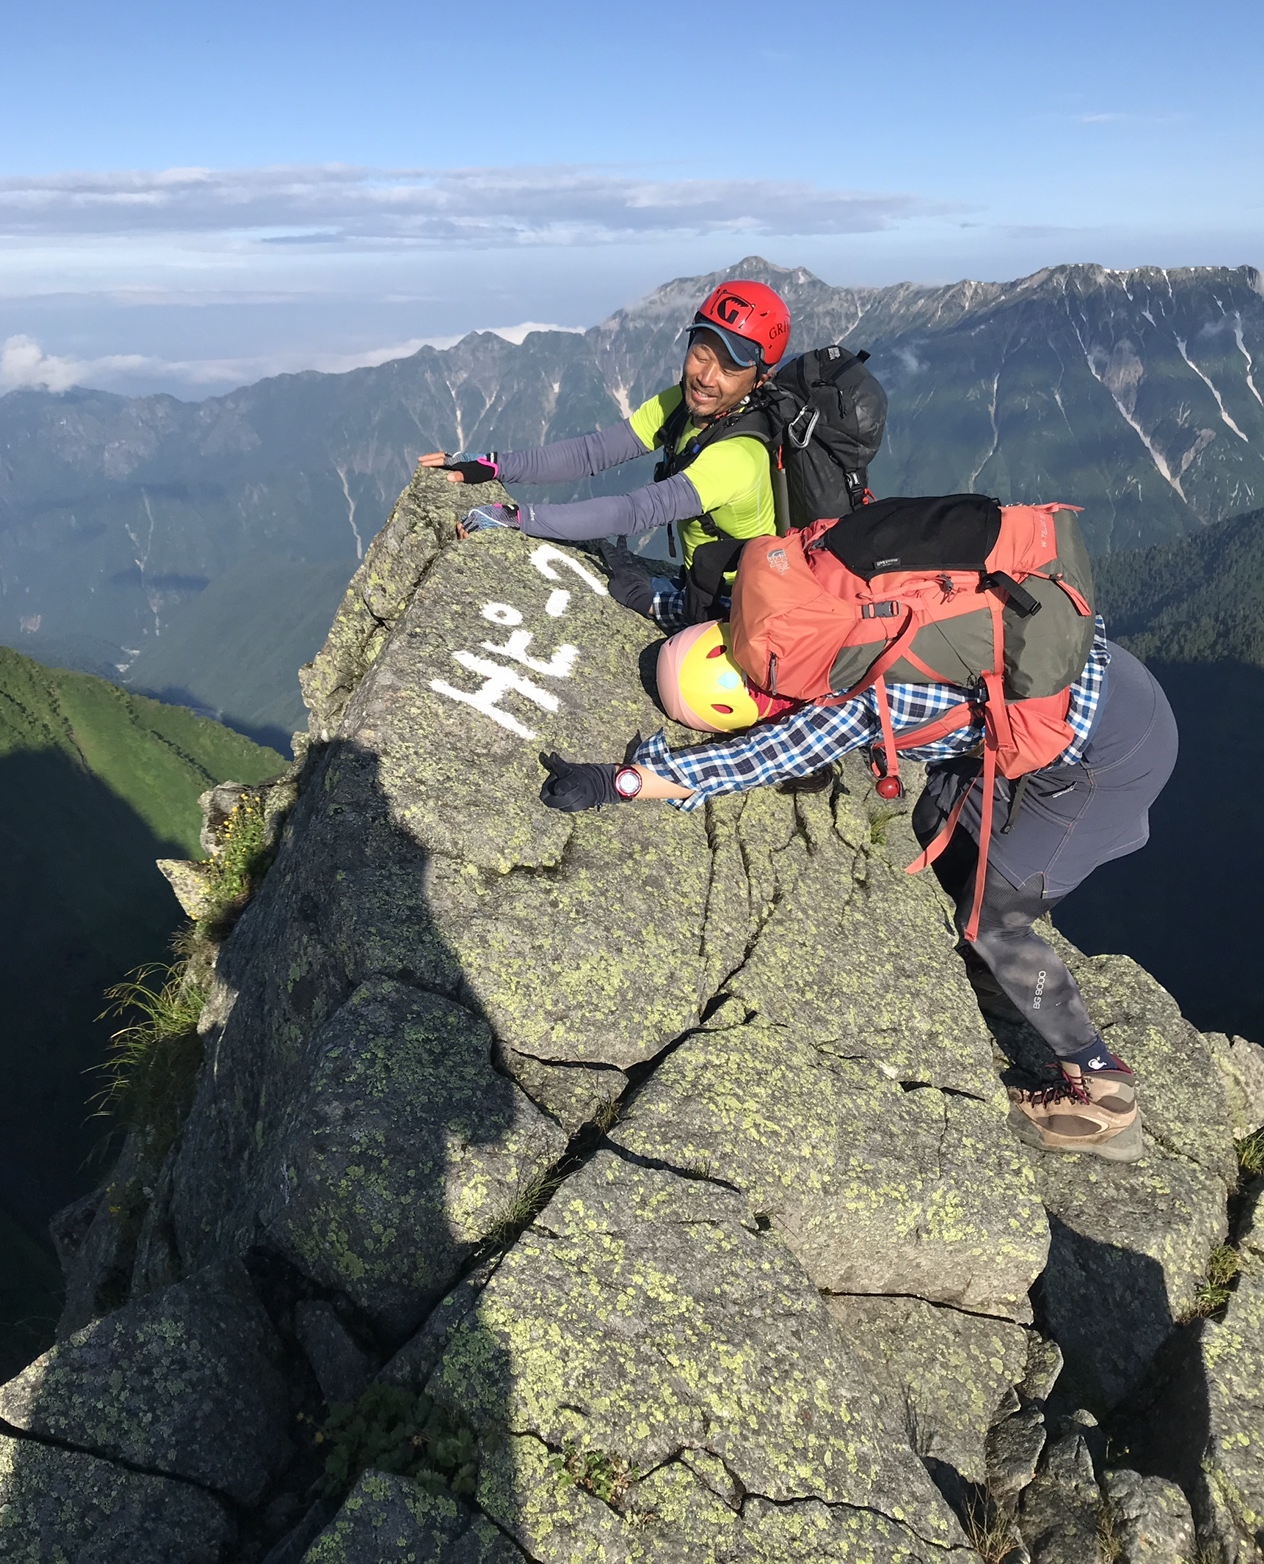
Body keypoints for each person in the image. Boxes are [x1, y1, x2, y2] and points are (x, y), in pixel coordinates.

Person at [537, 614, 1178, 1164]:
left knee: (995, 920)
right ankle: (998, 973)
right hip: (1101, 673)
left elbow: (752, 761)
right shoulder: (807, 614)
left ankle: (1100, 1087)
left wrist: (616, 782)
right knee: (938, 817)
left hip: (1112, 755)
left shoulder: (858, 701)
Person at [417, 280, 791, 627]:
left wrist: (517, 517)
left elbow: (634, 511)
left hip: (743, 608)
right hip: (701, 584)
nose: (707, 377)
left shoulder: (739, 455)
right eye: (702, 354)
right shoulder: (683, 402)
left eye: (730, 368)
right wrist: (495, 464)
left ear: (760, 379)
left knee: (675, 671)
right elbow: (592, 453)